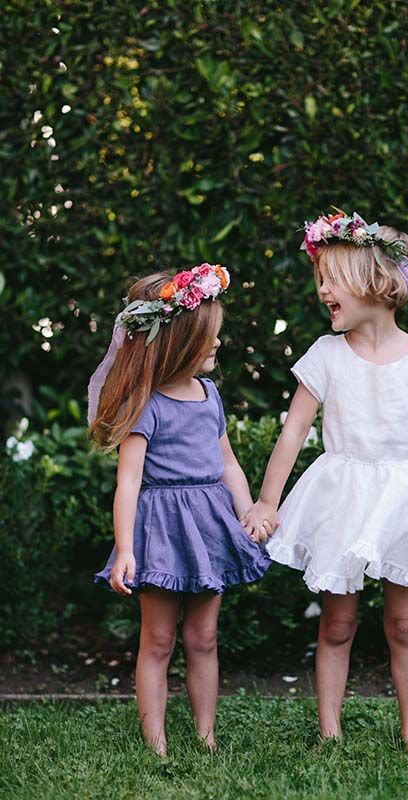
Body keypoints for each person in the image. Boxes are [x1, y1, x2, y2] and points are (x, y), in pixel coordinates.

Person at [242, 211, 408, 764]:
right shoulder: (326, 355)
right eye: (321, 281)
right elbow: (293, 431)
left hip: (405, 498)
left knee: (405, 623)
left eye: (332, 280)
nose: (323, 291)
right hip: (343, 496)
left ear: (375, 283)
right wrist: (268, 500)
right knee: (337, 623)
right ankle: (330, 730)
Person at [89, 264, 271, 755]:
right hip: (163, 529)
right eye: (208, 337)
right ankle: (157, 742)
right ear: (177, 341)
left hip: (208, 525)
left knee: (204, 637)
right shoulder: (146, 405)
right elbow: (127, 481)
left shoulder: (210, 395)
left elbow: (227, 462)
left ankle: (206, 736)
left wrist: (249, 507)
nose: (216, 345)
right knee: (158, 640)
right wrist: (126, 549)